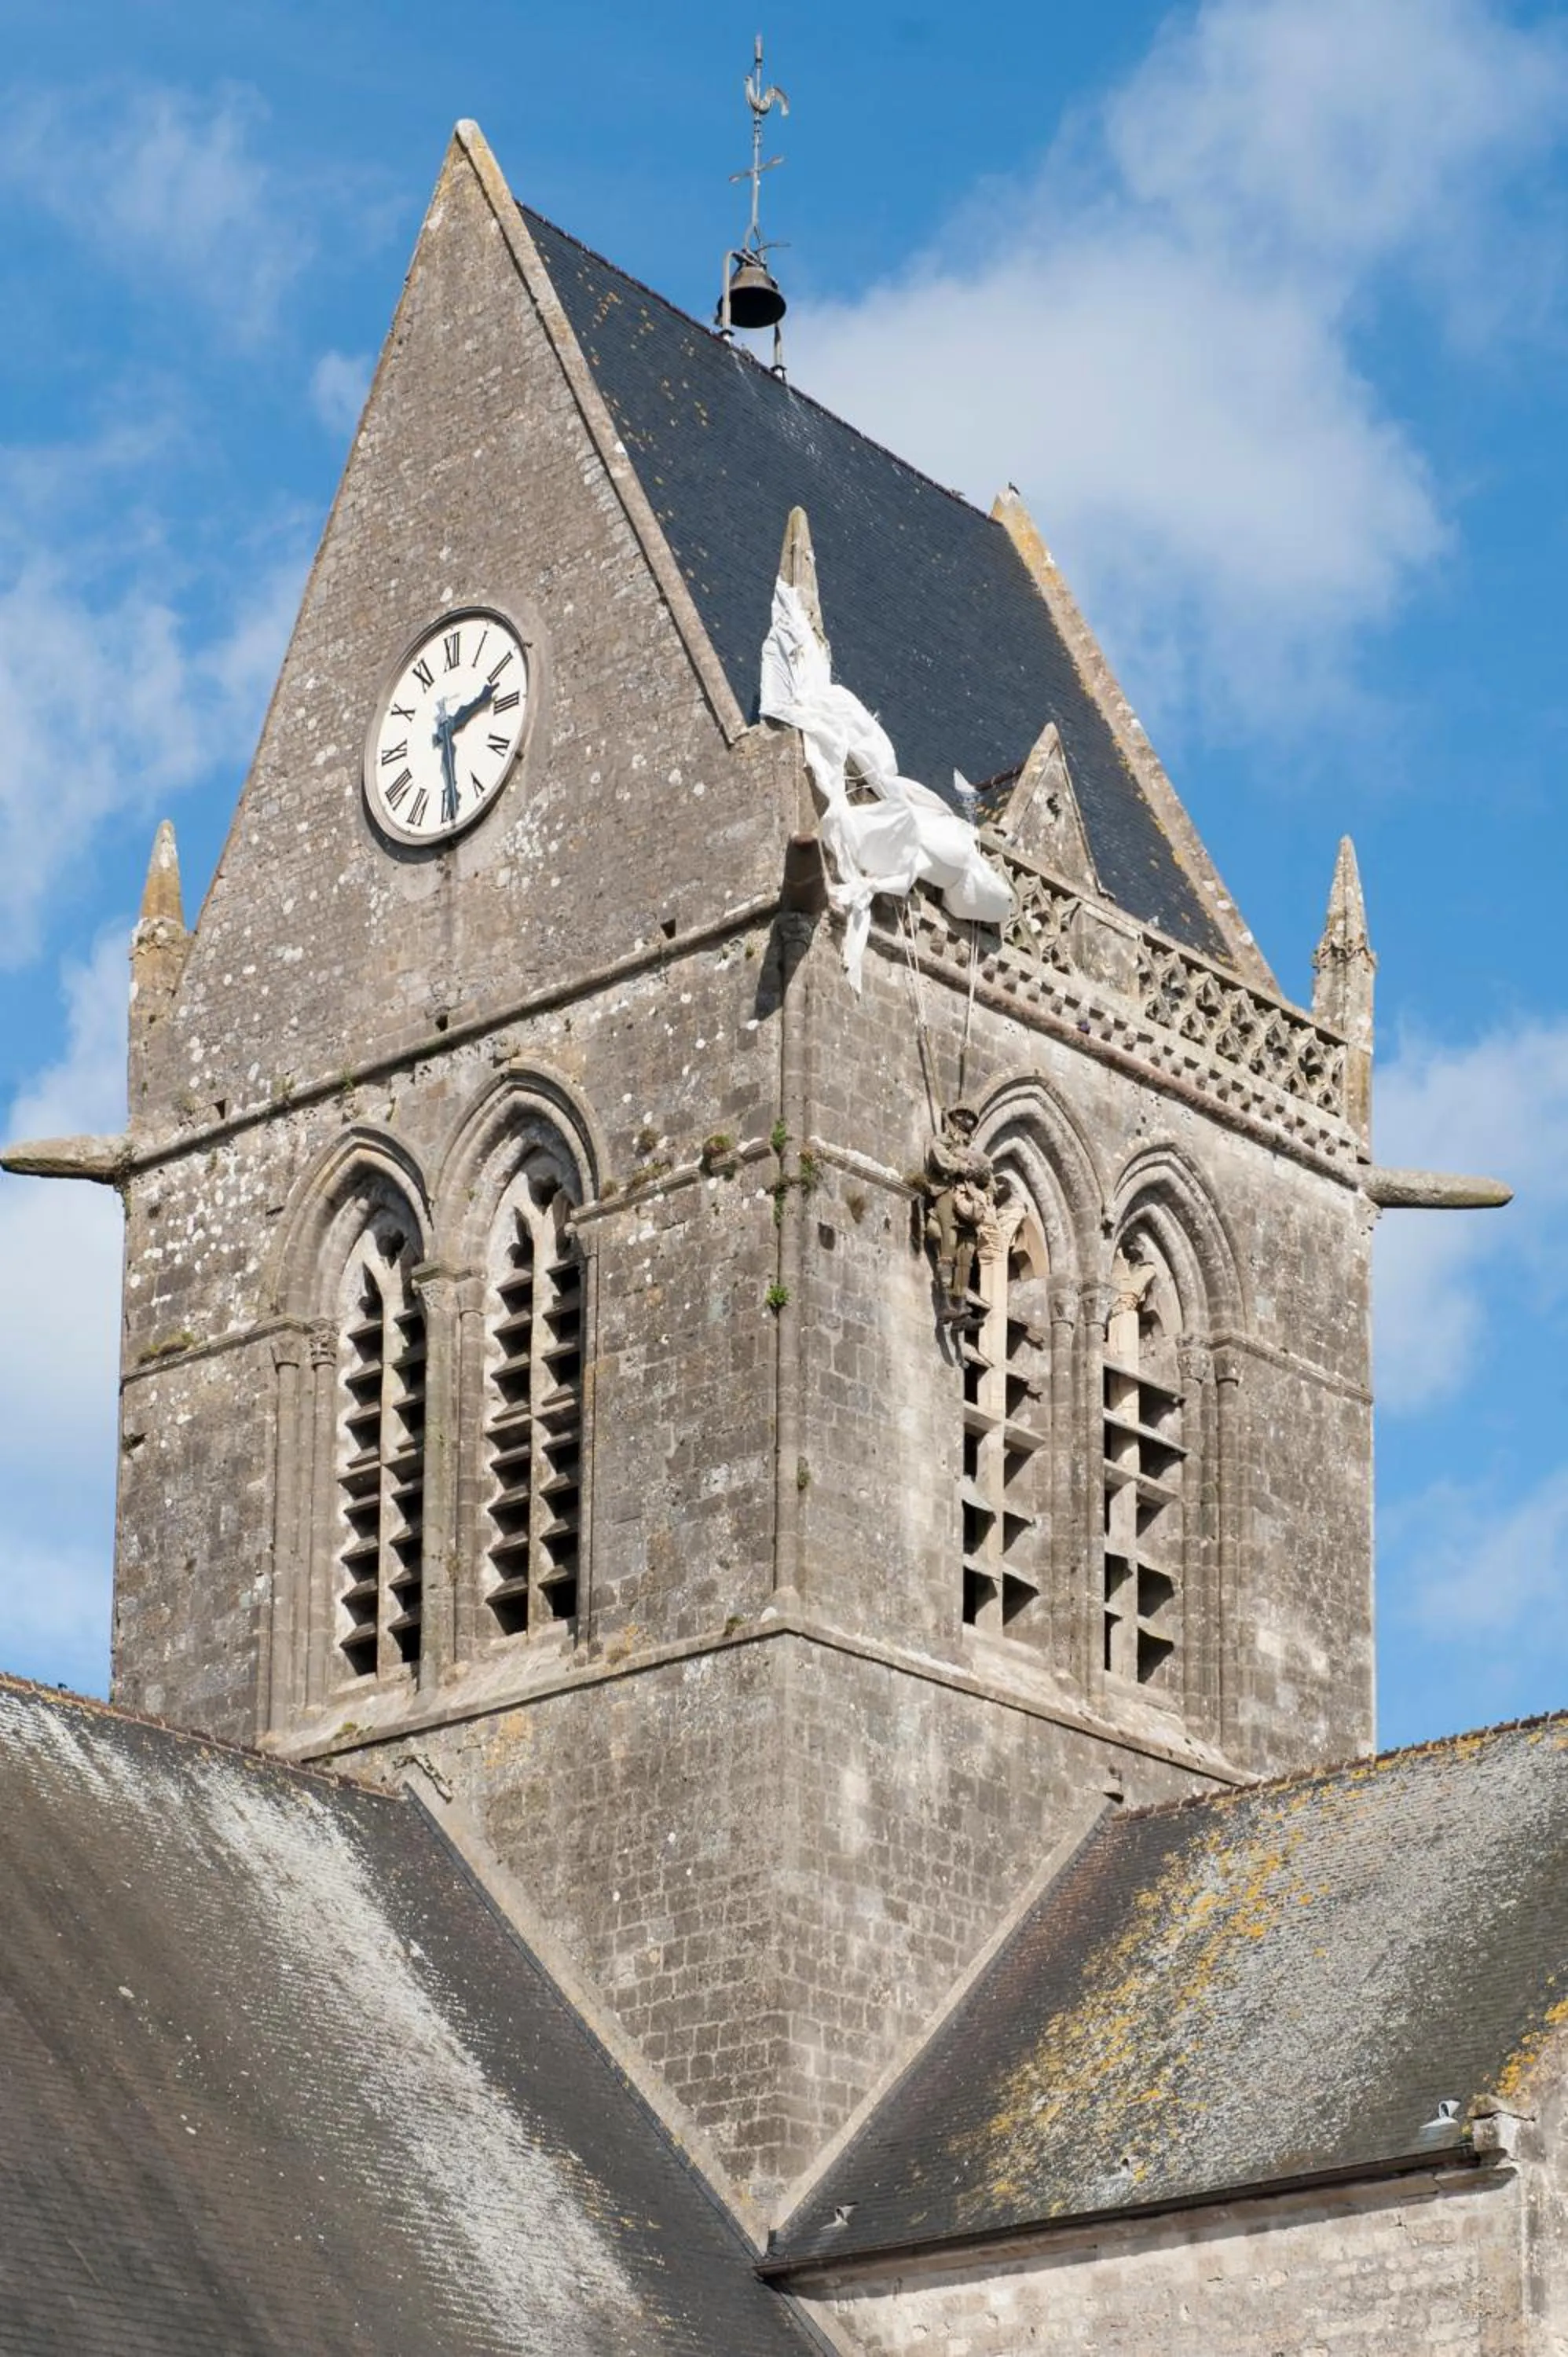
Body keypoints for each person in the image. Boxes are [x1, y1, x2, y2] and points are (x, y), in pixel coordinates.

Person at [924, 1104, 997, 1325]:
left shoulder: (975, 1153)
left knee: (967, 1250)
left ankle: (960, 1302)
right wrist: (961, 1166)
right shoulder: (944, 1141)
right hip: (947, 1193)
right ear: (955, 1118)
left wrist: (984, 1189)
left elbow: (990, 1183)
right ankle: (946, 1303)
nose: (967, 1122)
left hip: (968, 1200)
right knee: (949, 1241)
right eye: (963, 1116)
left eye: (971, 1119)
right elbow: (939, 1156)